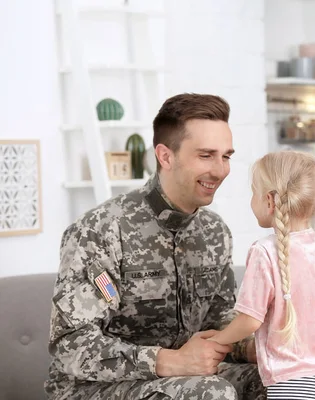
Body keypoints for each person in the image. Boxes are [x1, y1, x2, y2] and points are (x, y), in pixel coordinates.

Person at [45, 93, 267, 400]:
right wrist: (169, 361)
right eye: (206, 155)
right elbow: (70, 344)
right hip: (96, 389)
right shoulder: (101, 230)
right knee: (211, 391)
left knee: (277, 379)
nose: (220, 170)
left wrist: (254, 346)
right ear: (165, 156)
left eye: (225, 156)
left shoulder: (216, 232)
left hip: (186, 380)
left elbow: (218, 318)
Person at [207, 150, 315, 399]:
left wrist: (218, 340)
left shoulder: (264, 251)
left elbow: (250, 320)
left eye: (253, 193)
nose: (251, 200)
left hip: (290, 383)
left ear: (270, 201)